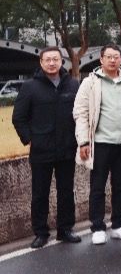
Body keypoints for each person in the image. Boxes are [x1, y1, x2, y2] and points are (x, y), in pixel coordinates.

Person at [12, 47, 81, 248]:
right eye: (48, 60)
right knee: (40, 194)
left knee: (66, 191)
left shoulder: (73, 85)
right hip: (41, 150)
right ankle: (41, 232)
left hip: (67, 148)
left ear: (61, 61)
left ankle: (65, 229)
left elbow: (80, 114)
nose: (52, 63)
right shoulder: (30, 87)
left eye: (55, 59)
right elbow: (18, 118)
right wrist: (29, 139)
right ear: (41, 63)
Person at [74, 44, 121, 245]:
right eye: (109, 57)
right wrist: (83, 141)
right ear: (101, 59)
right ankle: (97, 227)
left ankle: (118, 224)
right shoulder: (90, 83)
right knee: (97, 187)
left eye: (116, 57)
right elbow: (81, 112)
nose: (113, 60)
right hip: (100, 143)